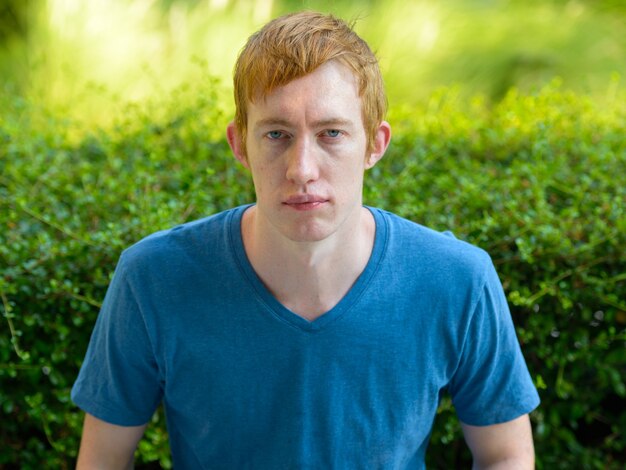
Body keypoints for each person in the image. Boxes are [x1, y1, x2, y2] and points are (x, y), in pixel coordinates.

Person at [72, 11, 540, 469]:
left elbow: (506, 455)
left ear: (375, 144)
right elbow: (103, 461)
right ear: (240, 145)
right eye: (276, 134)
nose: (302, 170)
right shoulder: (153, 278)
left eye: (331, 133)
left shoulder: (457, 279)